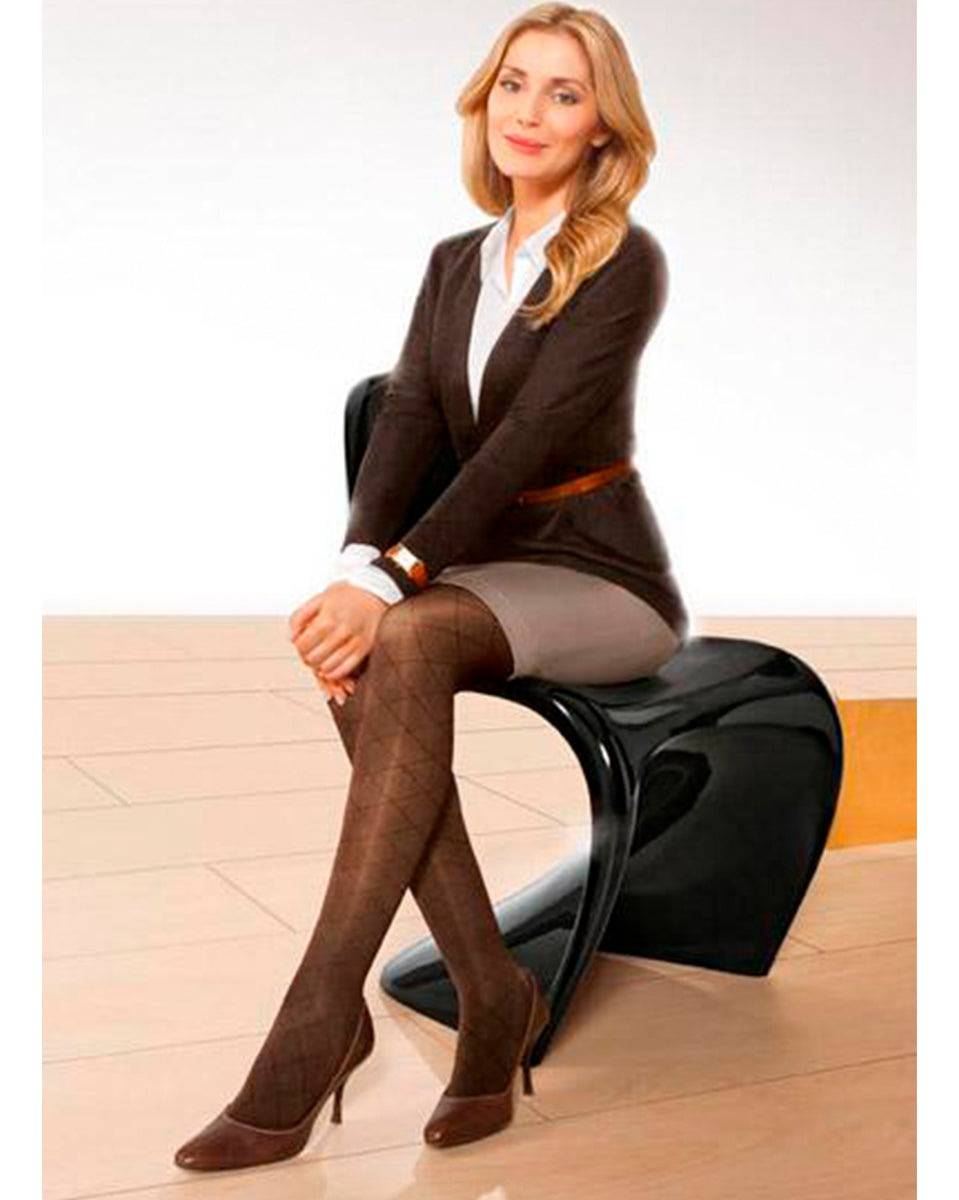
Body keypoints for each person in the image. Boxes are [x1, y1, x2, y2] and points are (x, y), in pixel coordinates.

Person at [174, 1, 689, 1171]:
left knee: (397, 637)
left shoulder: (623, 261)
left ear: (601, 126)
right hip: (480, 571)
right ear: (482, 98)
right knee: (374, 650)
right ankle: (489, 993)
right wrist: (353, 571)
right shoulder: (456, 262)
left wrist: (396, 578)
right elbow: (408, 416)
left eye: (564, 92)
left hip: (600, 577)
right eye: (514, 83)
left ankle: (314, 1022)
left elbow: (525, 442)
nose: (530, 111)